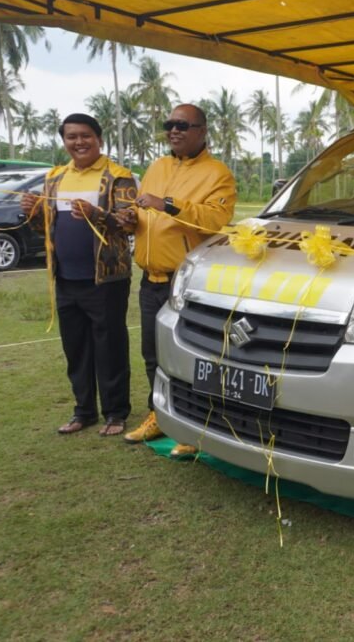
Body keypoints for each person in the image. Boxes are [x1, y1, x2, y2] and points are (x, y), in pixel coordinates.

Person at [120, 104, 237, 457]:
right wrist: (131, 220)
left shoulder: (218, 174)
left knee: (191, 358)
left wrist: (168, 204)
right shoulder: (157, 167)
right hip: (150, 280)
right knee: (152, 355)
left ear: (202, 130)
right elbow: (145, 216)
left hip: (186, 283)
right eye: (169, 124)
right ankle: (158, 415)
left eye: (183, 125)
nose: (174, 131)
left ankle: (195, 429)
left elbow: (215, 221)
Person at [20, 113, 135, 436]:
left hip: (106, 279)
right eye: (71, 137)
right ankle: (83, 412)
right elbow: (44, 226)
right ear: (64, 141)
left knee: (110, 347)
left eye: (85, 135)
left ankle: (115, 413)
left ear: (99, 139)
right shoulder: (55, 177)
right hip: (66, 278)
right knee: (76, 349)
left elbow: (129, 222)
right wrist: (31, 212)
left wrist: (97, 214)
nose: (79, 142)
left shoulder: (117, 176)